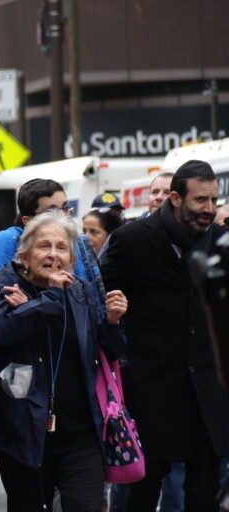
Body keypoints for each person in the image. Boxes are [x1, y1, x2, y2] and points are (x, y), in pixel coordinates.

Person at [102, 160, 228, 511]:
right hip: (150, 388)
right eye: (200, 200)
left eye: (214, 200)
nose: (209, 209)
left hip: (208, 391)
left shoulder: (221, 242)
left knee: (205, 490)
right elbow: (102, 298)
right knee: (145, 485)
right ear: (175, 198)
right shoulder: (132, 239)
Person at [0, 210, 128, 511]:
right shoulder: (7, 284)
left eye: (61, 247)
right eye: (44, 246)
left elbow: (108, 353)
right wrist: (45, 300)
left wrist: (112, 323)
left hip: (81, 432)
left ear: (72, 257)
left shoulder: (81, 290)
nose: (53, 255)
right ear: (25, 254)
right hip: (23, 431)